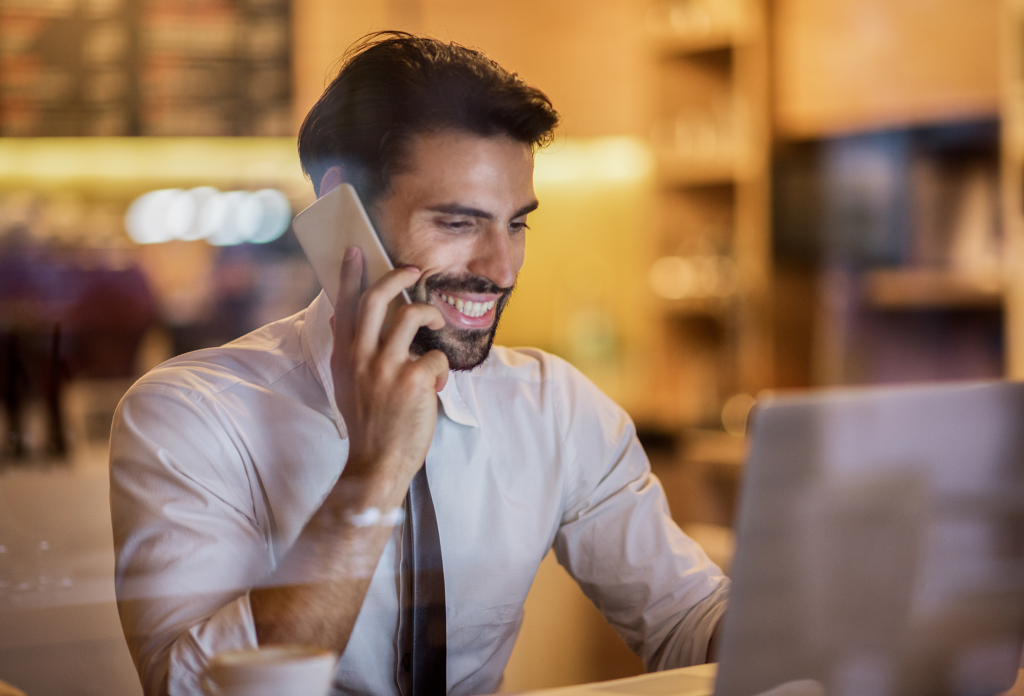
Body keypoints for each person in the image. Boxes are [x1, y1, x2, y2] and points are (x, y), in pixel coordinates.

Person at [110, 32, 729, 696]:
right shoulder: (189, 414)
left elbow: (686, 619)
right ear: (340, 207)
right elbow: (191, 692)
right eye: (459, 224)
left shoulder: (556, 407)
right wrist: (372, 476)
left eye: (516, 224)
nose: (501, 269)